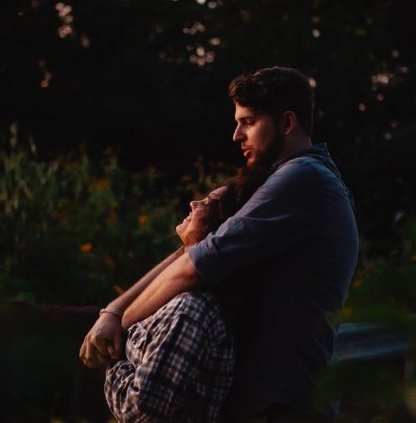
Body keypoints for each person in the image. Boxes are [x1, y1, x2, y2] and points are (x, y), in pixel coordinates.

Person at [80, 66, 359, 422]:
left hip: (283, 405)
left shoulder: (303, 178)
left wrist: (118, 328)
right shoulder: (286, 180)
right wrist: (113, 311)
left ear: (287, 123)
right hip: (270, 402)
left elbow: (195, 267)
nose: (236, 135)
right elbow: (194, 252)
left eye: (249, 122)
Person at [100, 170, 270, 422]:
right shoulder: (185, 302)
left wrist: (113, 360)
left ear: (221, 231)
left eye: (208, 205)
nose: (193, 203)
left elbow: (140, 411)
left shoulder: (190, 313)